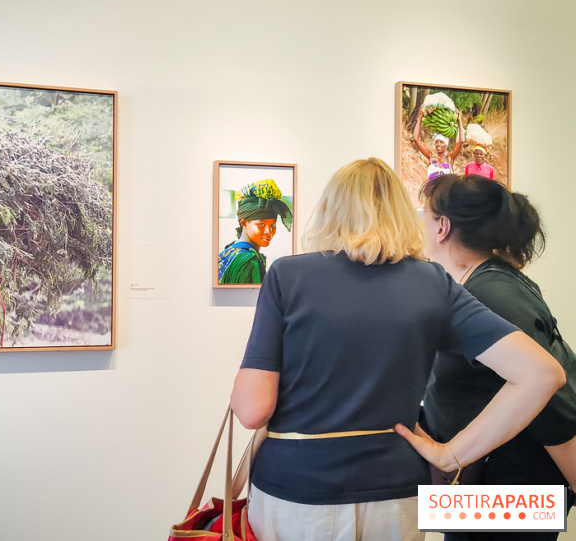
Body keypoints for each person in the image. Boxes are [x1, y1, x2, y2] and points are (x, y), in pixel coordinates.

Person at [230, 158, 565, 541]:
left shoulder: (287, 275)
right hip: (397, 493)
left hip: (297, 490)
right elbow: (542, 373)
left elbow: (253, 410)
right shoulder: (433, 282)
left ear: (328, 210)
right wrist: (450, 455)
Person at [419, 174, 576, 541]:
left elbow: (551, 393)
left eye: (424, 216)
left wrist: (450, 454)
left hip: (507, 493)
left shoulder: (491, 291)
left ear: (442, 226)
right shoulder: (483, 283)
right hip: (486, 490)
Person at [217, 179, 292, 284]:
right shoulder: (249, 261)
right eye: (261, 225)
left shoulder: (229, 251)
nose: (268, 231)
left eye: (273, 225)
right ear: (244, 223)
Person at [413, 108, 465, 179]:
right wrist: (420, 118)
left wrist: (459, 120)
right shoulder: (431, 156)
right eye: (436, 142)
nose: (439, 145)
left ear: (446, 145)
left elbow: (461, 141)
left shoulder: (450, 158)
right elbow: (416, 139)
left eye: (441, 142)